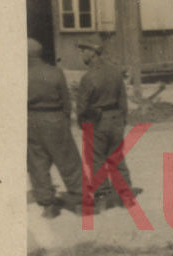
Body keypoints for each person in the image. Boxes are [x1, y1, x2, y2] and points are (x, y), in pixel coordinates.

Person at [76, 35, 137, 208]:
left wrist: (82, 124)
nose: (82, 54)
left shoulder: (88, 78)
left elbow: (81, 107)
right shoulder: (115, 73)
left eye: (84, 50)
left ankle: (102, 195)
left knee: (96, 159)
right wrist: (122, 120)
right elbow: (123, 100)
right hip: (116, 120)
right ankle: (126, 196)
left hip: (97, 122)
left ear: (92, 53)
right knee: (117, 158)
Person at [27, 38, 83, 218]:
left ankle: (48, 205)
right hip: (55, 118)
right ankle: (80, 202)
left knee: (37, 164)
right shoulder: (55, 72)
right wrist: (64, 121)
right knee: (69, 160)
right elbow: (66, 101)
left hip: (31, 120)